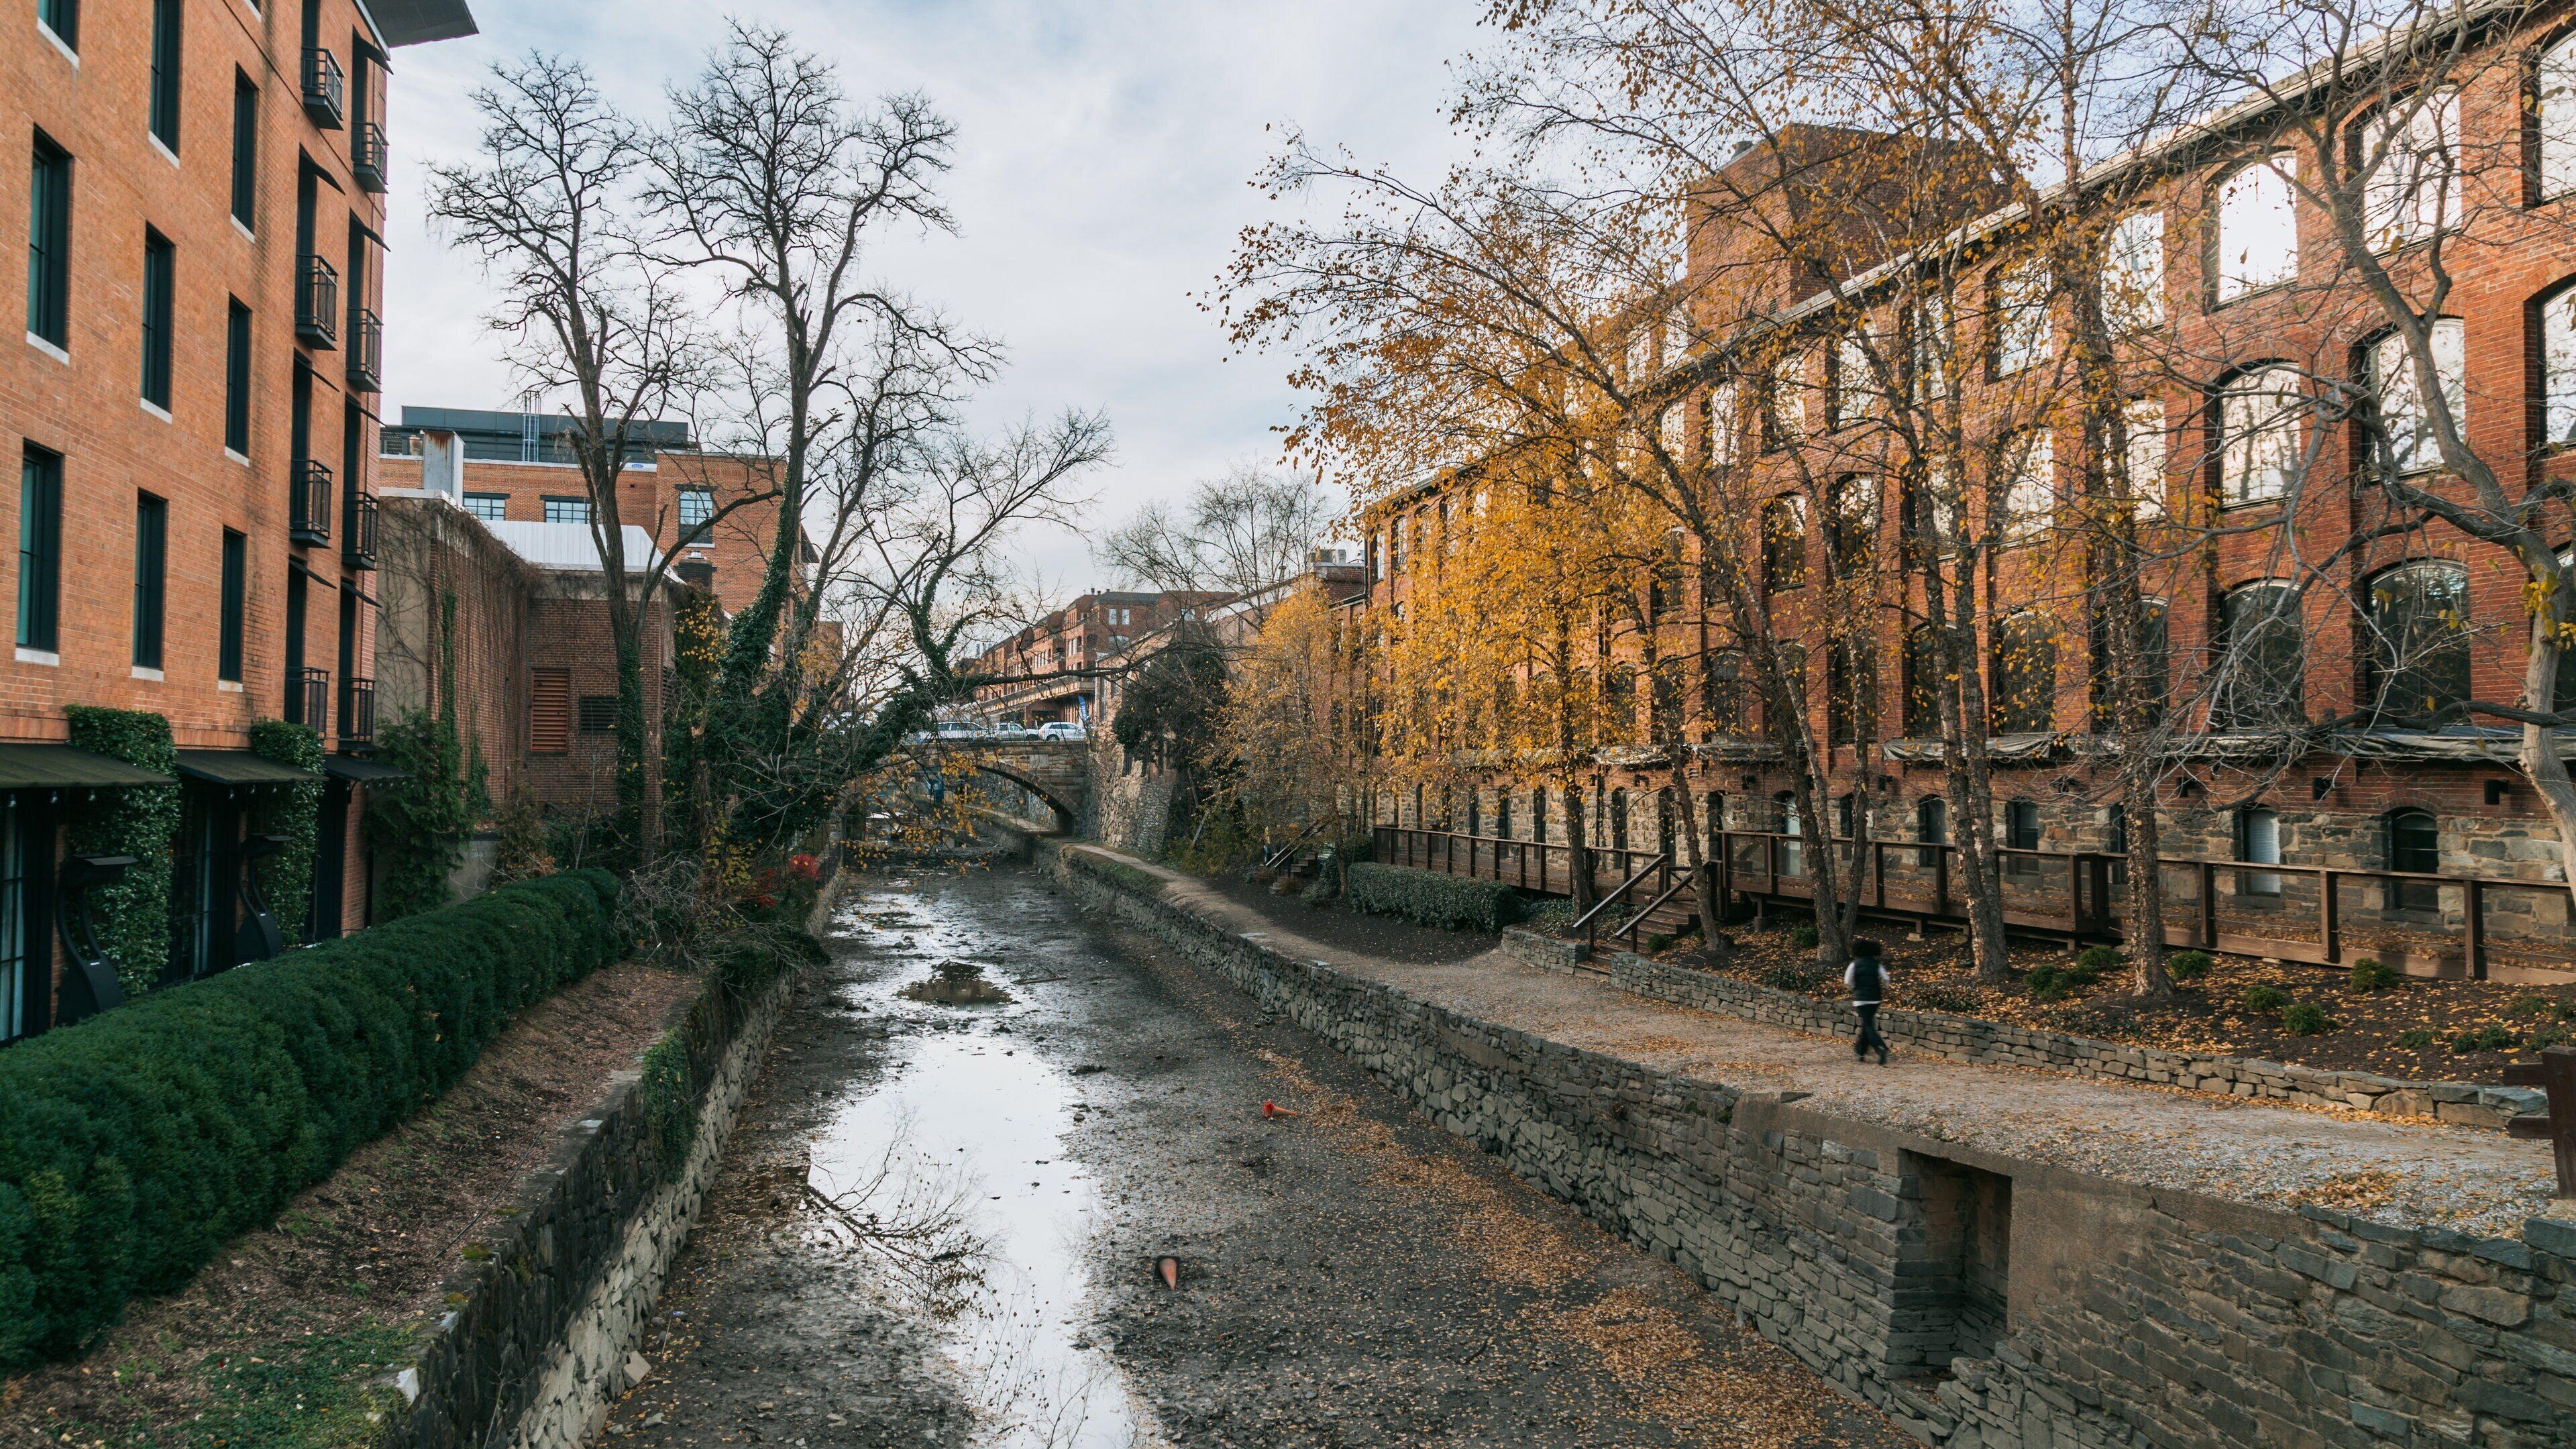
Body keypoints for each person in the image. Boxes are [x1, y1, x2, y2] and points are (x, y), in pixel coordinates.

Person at [1845, 938, 1891, 1065]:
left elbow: (1847, 981)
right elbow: (1886, 978)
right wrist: (1885, 988)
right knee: (1867, 1024)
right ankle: (1861, 1052)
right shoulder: (1877, 964)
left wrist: (1853, 989)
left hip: (1860, 999)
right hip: (1875, 998)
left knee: (1868, 1025)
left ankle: (1880, 1048)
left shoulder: (1854, 964)